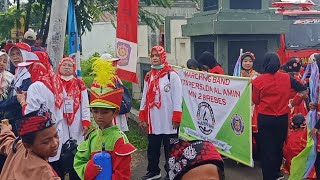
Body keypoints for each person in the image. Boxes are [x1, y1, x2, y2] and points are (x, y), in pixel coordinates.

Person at [74, 58, 136, 179]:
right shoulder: (92, 136)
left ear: (115, 112)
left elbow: (122, 174)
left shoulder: (119, 139)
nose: (99, 116)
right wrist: (87, 169)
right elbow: (79, 160)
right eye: (95, 111)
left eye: (105, 112)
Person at [252, 52, 308, 180]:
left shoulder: (258, 81)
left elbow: (255, 101)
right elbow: (303, 90)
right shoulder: (287, 77)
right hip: (282, 117)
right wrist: (293, 103)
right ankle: (277, 173)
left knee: (266, 148)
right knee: (278, 146)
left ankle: (268, 176)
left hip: (265, 118)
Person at [15, 58, 64, 178]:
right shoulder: (56, 80)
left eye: (30, 68)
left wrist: (22, 102)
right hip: (56, 130)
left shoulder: (35, 86)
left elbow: (31, 114)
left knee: (43, 169)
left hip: (41, 136)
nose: (29, 71)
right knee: (55, 167)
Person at [139, 46, 183, 180]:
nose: (154, 58)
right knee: (153, 148)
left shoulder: (172, 75)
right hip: (154, 120)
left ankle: (171, 172)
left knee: (171, 148)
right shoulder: (149, 76)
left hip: (170, 121)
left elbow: (177, 98)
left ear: (163, 57)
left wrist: (177, 116)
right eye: (152, 56)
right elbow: (144, 97)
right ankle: (153, 171)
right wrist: (142, 115)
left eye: (157, 55)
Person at [0, 106, 60, 180]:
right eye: (46, 142)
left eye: (56, 136)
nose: (55, 143)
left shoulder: (18, 147)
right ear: (28, 145)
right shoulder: (46, 173)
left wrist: (5, 129)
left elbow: (6, 140)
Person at [57, 57, 90, 179]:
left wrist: (86, 121)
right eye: (64, 65)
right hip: (61, 121)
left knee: (76, 152)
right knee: (60, 150)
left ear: (74, 68)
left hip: (76, 122)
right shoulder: (55, 82)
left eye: (69, 65)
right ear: (59, 67)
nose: (66, 67)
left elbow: (85, 103)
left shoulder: (79, 83)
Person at [99, 53, 130, 131]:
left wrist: (126, 111)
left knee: (119, 134)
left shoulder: (116, 78)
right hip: (109, 113)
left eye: (114, 64)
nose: (113, 66)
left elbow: (123, 95)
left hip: (119, 112)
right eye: (110, 64)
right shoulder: (100, 80)